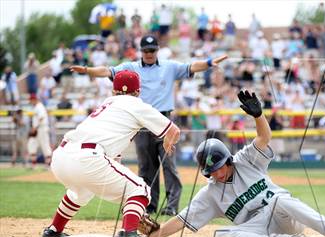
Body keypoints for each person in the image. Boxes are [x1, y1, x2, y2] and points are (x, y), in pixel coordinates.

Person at [149, 90, 325, 237]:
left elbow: (264, 138)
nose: (217, 173)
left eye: (220, 166)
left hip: (283, 215)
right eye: (211, 171)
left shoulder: (246, 160)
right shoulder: (210, 193)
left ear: (228, 160)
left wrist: (259, 116)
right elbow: (181, 221)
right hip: (258, 229)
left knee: (280, 199)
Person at [71, 34, 227, 216]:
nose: (149, 54)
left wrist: (209, 62)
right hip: (142, 123)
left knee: (169, 165)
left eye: (152, 50)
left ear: (157, 51)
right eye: (145, 50)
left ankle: (171, 206)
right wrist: (87, 70)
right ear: (141, 51)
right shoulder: (131, 67)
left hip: (164, 120)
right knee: (146, 166)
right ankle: (149, 204)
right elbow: (107, 71)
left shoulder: (169, 66)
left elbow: (191, 67)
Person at [40, 70, 180, 237]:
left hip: (61, 156)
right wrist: (169, 141)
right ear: (138, 91)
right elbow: (174, 130)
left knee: (81, 192)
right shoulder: (136, 104)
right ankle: (129, 234)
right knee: (140, 188)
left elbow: (113, 157)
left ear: (114, 91)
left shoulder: (106, 104)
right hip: (88, 157)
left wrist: (131, 205)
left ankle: (53, 230)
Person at [27, 94, 52, 169]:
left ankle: (48, 165)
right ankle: (33, 165)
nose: (30, 102)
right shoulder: (36, 107)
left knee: (45, 145)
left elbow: (41, 117)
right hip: (37, 129)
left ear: (34, 100)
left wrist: (35, 127)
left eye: (31, 100)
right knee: (32, 144)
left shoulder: (39, 106)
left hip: (42, 128)